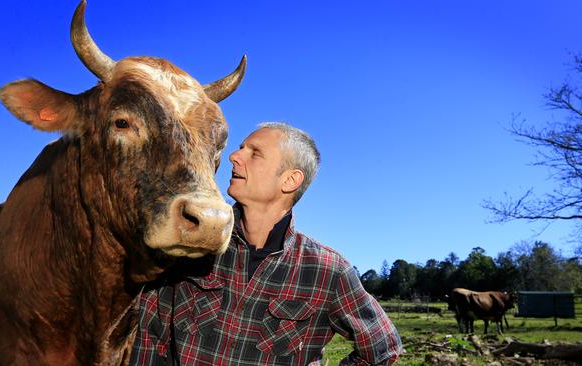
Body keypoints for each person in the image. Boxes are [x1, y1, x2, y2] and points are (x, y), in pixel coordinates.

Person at [130, 122, 402, 365]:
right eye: (239, 149)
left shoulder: (328, 272)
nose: (234, 157)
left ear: (290, 180)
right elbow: (150, 333)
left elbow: (383, 349)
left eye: (254, 153)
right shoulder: (193, 241)